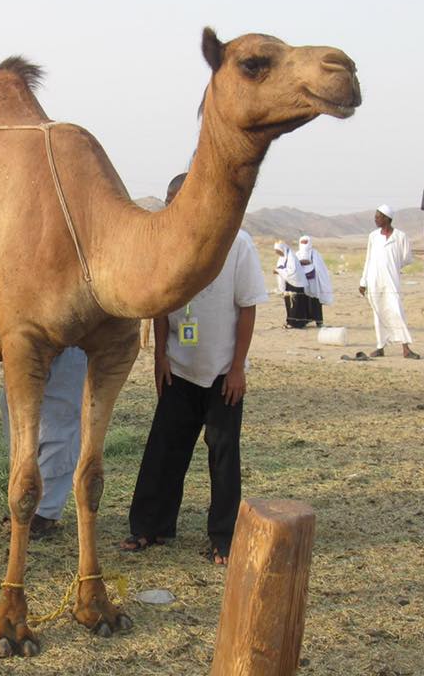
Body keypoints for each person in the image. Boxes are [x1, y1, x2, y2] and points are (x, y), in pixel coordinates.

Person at [121, 174, 267, 565]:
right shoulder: (168, 245)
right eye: (167, 199)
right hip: (180, 369)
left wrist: (237, 368)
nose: (171, 206)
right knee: (164, 450)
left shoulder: (236, 243)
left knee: (222, 454)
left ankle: (223, 538)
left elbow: (249, 306)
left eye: (176, 198)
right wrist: (160, 357)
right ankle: (150, 527)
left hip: (221, 373)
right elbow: (162, 304)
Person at [0, 347, 87, 539]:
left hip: (69, 338)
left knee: (59, 414)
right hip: (24, 338)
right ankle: (24, 498)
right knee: (12, 405)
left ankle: (44, 512)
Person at [359, 204, 420, 359]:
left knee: (396, 311)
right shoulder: (373, 236)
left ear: (387, 218)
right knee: (378, 312)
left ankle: (406, 348)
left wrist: (393, 265)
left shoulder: (400, 236)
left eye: (378, 216)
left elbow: (407, 258)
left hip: (391, 280)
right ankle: (380, 346)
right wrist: (363, 281)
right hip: (374, 280)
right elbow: (368, 259)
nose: (375, 219)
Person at [297, 234, 334, 327]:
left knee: (315, 300)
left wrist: (310, 263)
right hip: (302, 282)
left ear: (309, 243)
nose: (304, 244)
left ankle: (319, 321)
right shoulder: (297, 254)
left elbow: (320, 268)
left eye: (306, 242)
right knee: (303, 300)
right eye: (302, 242)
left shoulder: (315, 253)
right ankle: (304, 321)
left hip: (314, 282)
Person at [273, 241, 310, 328]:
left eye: (278, 251)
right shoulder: (282, 258)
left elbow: (292, 272)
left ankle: (296, 323)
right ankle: (291, 322)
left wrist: (278, 271)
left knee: (296, 304)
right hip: (289, 283)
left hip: (296, 283)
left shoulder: (292, 257)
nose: (277, 253)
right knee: (289, 303)